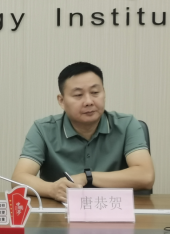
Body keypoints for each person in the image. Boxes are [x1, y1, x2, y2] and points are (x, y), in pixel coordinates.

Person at [11, 62, 155, 202]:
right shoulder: (43, 129)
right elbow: (19, 178)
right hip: (62, 212)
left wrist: (87, 177)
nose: (88, 101)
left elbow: (145, 176)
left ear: (104, 93)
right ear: (61, 101)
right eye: (78, 95)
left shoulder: (127, 124)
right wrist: (52, 189)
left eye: (95, 93)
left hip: (114, 209)